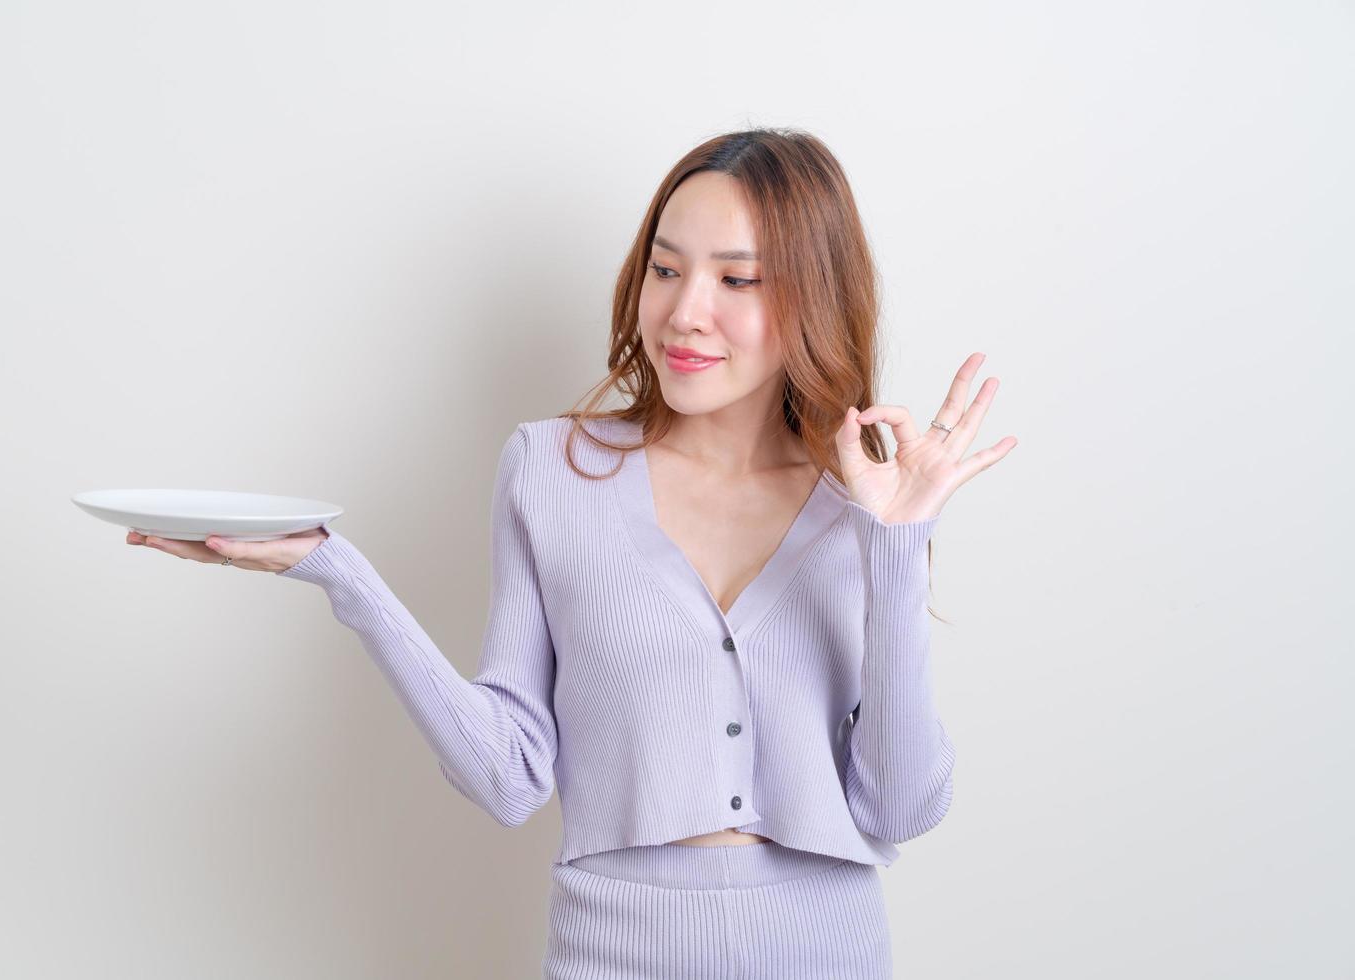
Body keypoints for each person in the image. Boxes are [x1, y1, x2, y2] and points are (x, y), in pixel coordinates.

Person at [129, 127, 1016, 978]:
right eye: (664, 270)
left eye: (736, 279)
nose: (683, 312)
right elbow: (508, 774)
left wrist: (897, 543)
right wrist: (339, 573)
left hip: (828, 951)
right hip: (612, 951)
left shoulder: (860, 498)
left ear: (812, 299)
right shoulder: (552, 471)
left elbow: (900, 805)